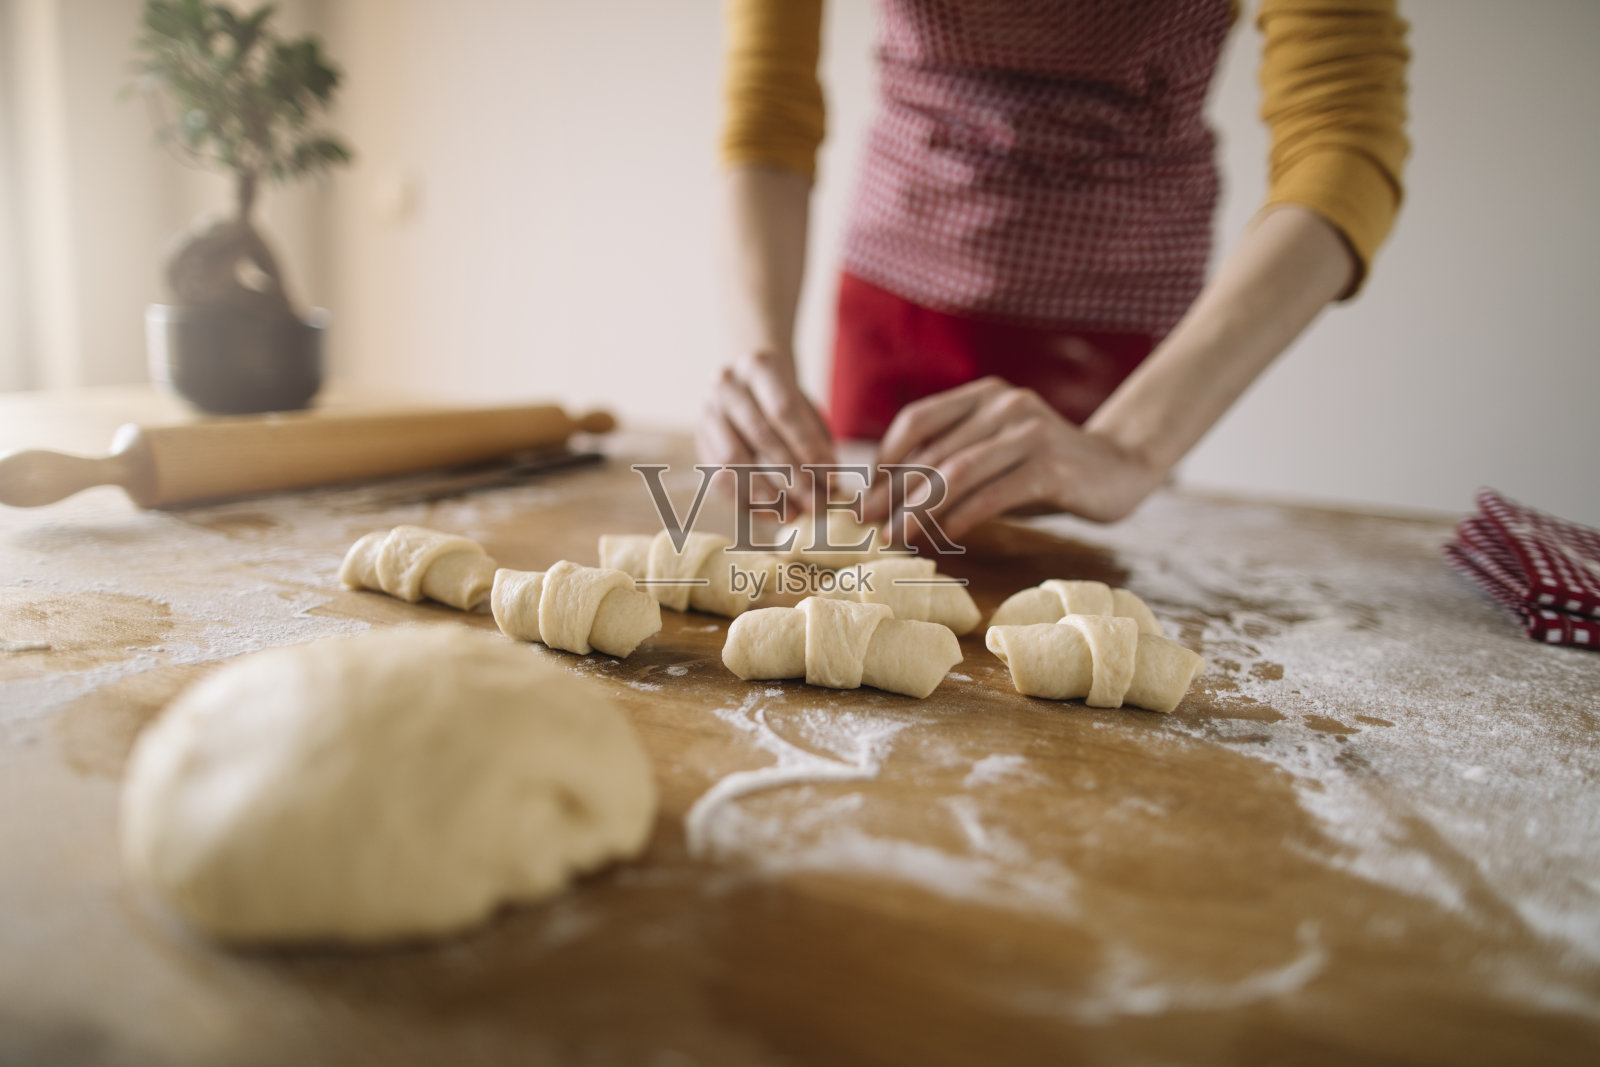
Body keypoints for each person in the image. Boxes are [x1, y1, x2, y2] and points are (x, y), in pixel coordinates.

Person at [697, 0, 1409, 547]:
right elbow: (767, 109)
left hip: (1120, 323)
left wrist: (1131, 445)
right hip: (892, 303)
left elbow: (1341, 139)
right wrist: (756, 354)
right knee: (858, 567)